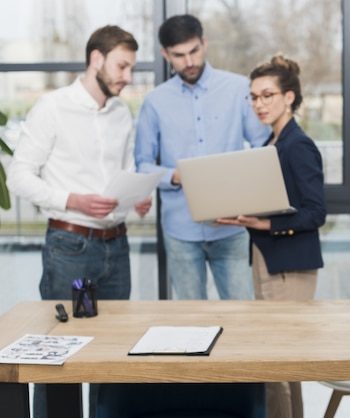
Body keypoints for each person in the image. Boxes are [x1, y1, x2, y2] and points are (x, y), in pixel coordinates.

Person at [7, 25, 151, 418]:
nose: (128, 77)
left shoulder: (122, 112)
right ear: (96, 59)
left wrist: (136, 198)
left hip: (116, 247)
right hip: (69, 248)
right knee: (60, 356)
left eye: (132, 68)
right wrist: (73, 199)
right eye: (123, 66)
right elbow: (18, 176)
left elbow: (125, 171)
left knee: (114, 352)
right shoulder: (52, 108)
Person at [216, 55, 326, 418]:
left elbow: (315, 212)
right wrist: (241, 214)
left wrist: (264, 225)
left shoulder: (298, 145)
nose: (259, 104)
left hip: (290, 263)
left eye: (267, 95)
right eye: (254, 97)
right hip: (267, 256)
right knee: (281, 365)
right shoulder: (272, 142)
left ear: (289, 97)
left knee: (276, 364)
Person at [134, 14, 269, 301]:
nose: (189, 62)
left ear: (204, 43)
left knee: (243, 315)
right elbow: (142, 164)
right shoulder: (155, 102)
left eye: (194, 51)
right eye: (179, 55)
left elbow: (262, 146)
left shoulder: (238, 89)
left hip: (232, 228)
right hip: (180, 231)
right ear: (165, 54)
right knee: (191, 321)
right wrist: (175, 176)